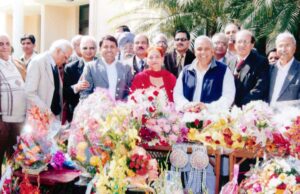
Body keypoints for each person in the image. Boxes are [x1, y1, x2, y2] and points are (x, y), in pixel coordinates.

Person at [173, 36, 235, 193]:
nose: (203, 52)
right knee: (185, 165)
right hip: (188, 128)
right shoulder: (186, 70)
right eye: (199, 49)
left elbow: (228, 97)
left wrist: (206, 107)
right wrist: (189, 106)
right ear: (194, 51)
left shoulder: (223, 70)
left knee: (209, 168)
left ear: (212, 50)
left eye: (207, 48)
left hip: (211, 128)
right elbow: (177, 95)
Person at [25, 39, 73, 119]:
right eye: (65, 57)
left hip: (53, 118)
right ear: (58, 51)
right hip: (41, 118)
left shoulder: (55, 65)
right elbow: (30, 93)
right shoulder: (38, 62)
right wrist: (47, 112)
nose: (67, 61)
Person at [0, 34, 26, 177]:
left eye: (7, 43)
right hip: (3, 122)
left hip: (20, 121)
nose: (4, 47)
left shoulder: (17, 63)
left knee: (16, 160)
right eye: (0, 44)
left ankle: (10, 187)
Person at [80, 35, 133, 100]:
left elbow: (130, 92)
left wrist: (122, 106)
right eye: (105, 47)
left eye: (112, 47)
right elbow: (85, 93)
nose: (109, 50)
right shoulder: (91, 67)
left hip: (121, 109)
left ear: (117, 49)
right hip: (97, 109)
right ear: (100, 49)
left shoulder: (126, 67)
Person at [227, 30, 269, 107]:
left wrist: (239, 105)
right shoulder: (230, 62)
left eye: (246, 42)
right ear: (235, 44)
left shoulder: (261, 62)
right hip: (229, 108)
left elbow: (260, 88)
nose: (242, 45)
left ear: (252, 45)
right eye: (239, 42)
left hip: (249, 108)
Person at [64, 36, 97, 122]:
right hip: (76, 113)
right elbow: (64, 91)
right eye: (85, 48)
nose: (88, 51)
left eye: (92, 48)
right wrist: (76, 87)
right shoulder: (70, 68)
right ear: (80, 49)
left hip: (98, 112)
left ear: (96, 49)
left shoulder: (102, 66)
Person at [268, 32, 300, 105]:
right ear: (276, 49)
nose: (283, 49)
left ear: (294, 48)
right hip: (267, 115)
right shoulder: (269, 69)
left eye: (287, 45)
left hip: (290, 115)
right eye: (280, 46)